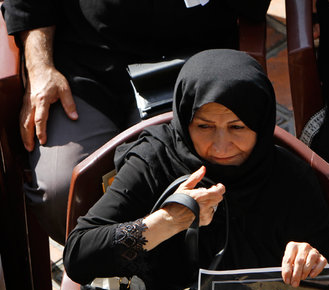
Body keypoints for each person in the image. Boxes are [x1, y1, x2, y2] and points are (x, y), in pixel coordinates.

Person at [63, 49, 329, 290]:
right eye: (204, 127)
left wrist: (311, 259)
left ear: (261, 123)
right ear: (185, 121)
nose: (221, 146)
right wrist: (168, 221)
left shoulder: (290, 177)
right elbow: (78, 255)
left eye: (237, 127)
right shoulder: (155, 161)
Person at [0, 0, 271, 243]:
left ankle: (167, 284)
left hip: (189, 65)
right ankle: (108, 274)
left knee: (188, 188)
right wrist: (39, 66)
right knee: (63, 192)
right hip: (84, 64)